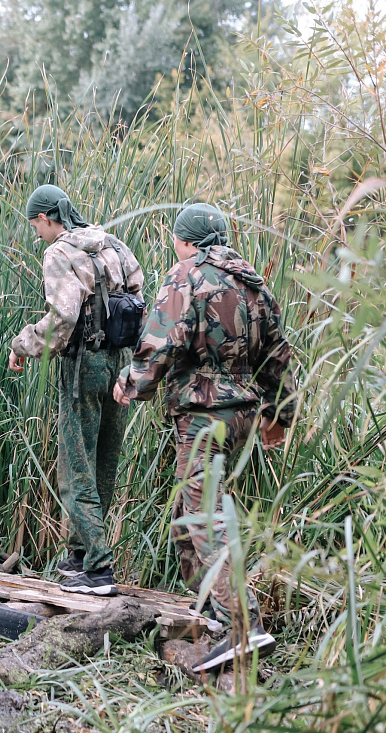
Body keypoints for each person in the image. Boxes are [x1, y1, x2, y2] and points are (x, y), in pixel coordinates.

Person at [113, 202, 295, 671]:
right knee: (185, 514)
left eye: (176, 239)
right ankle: (213, 614)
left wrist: (132, 382)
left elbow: (161, 342)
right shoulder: (254, 283)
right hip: (243, 414)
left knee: (204, 515)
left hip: (203, 415)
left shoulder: (187, 276)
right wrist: (280, 415)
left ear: (188, 241)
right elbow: (278, 354)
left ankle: (242, 626)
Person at [8, 184, 144, 596]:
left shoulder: (59, 253)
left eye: (35, 225)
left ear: (46, 218)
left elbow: (61, 321)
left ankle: (99, 569)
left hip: (84, 365)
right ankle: (81, 554)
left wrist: (21, 344)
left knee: (75, 467)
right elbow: (139, 303)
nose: (37, 233)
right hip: (121, 362)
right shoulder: (115, 246)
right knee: (104, 459)